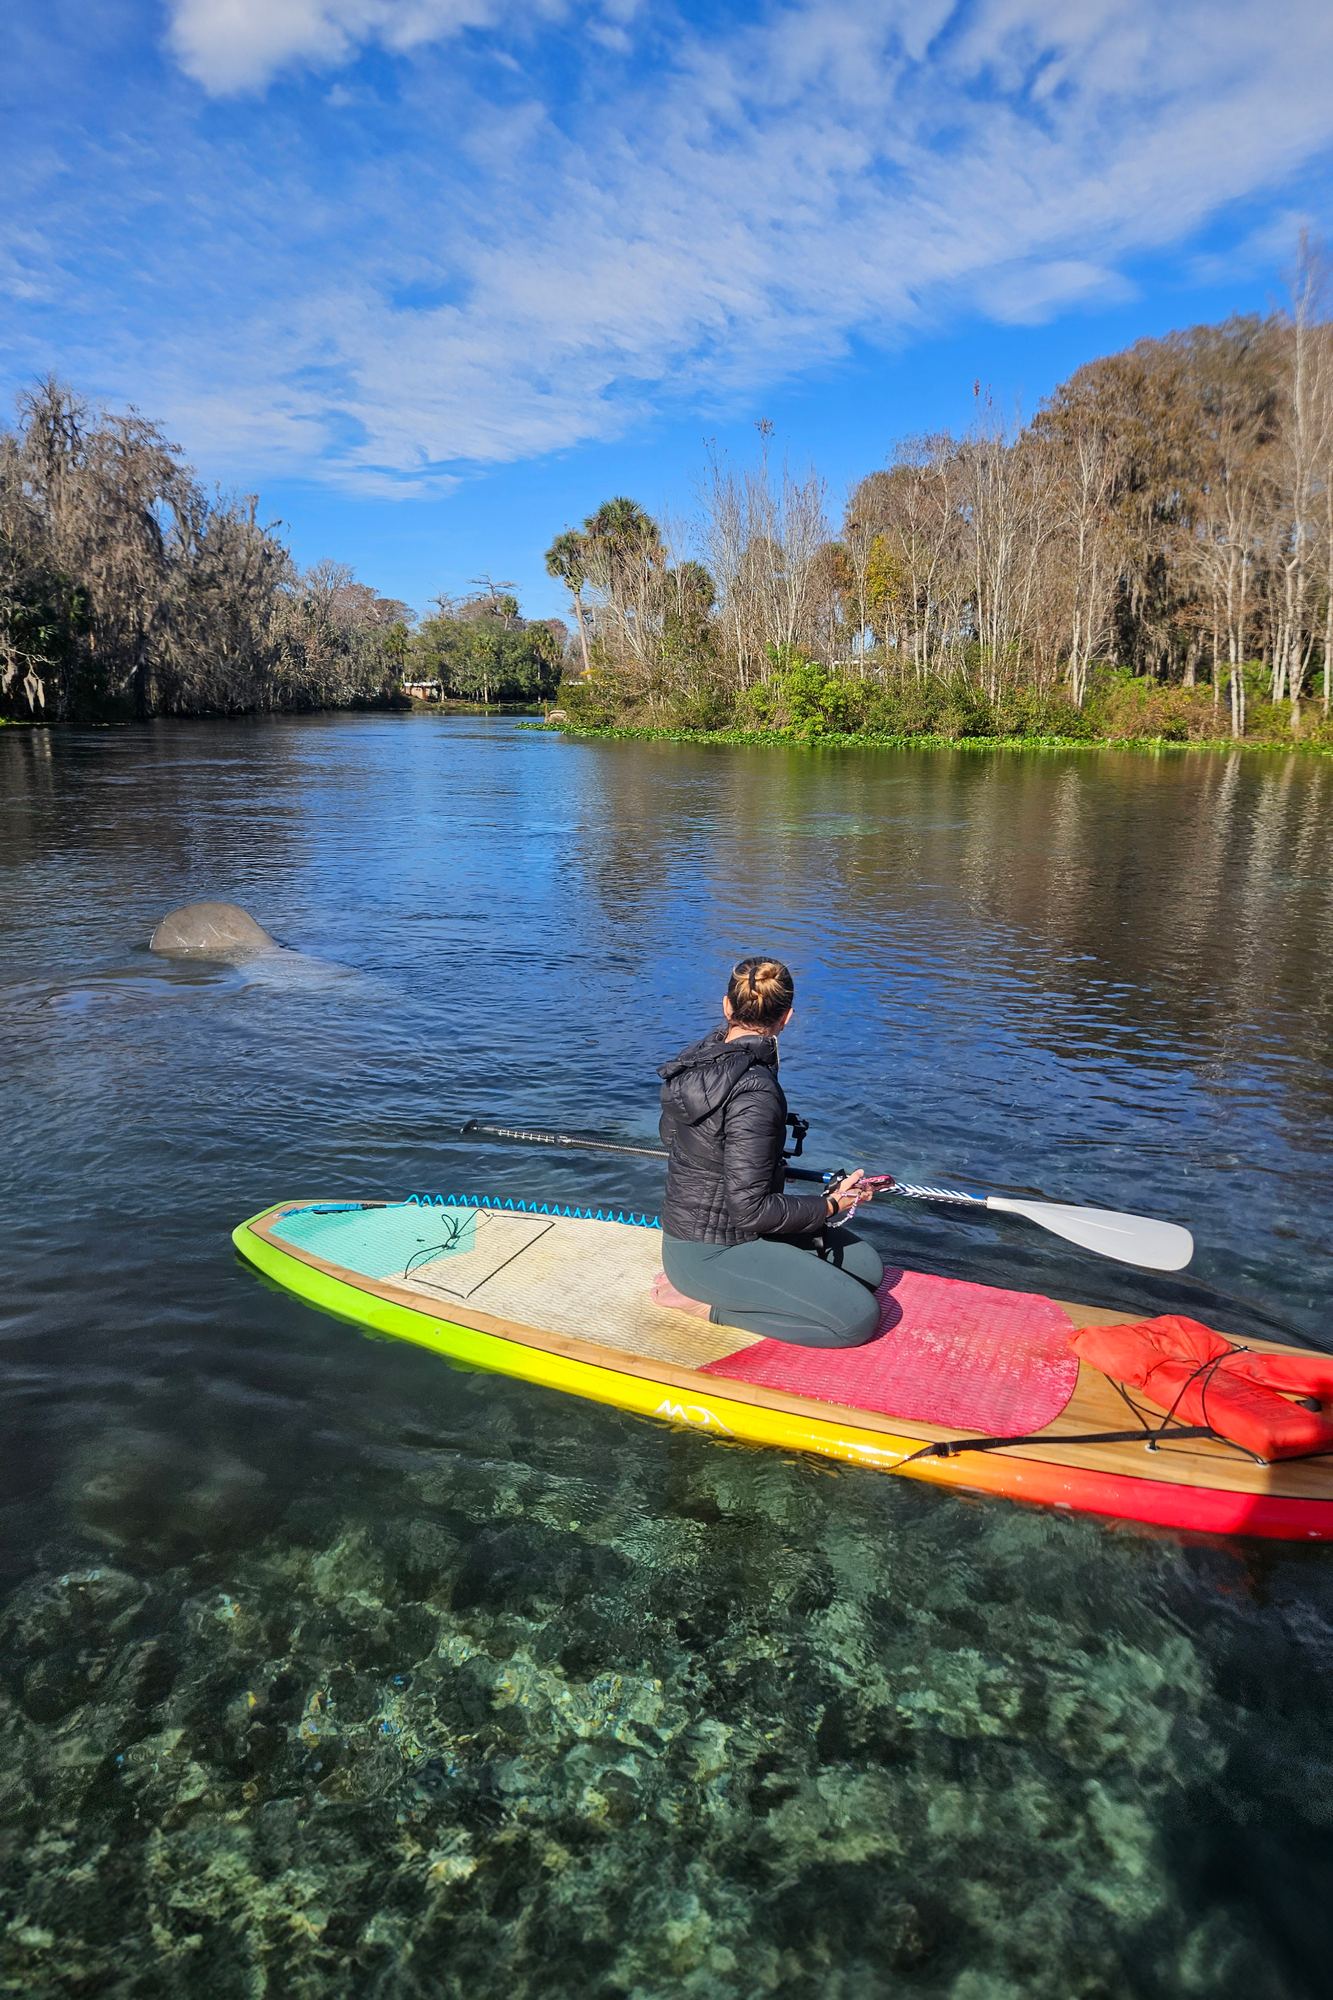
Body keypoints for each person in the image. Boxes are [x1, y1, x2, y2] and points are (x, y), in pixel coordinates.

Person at [652, 956, 885, 1347]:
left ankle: (719, 1285)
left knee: (866, 1268)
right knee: (858, 1319)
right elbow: (751, 1209)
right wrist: (832, 1206)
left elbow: (674, 1141)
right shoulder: (756, 1091)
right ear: (786, 1018)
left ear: (727, 1006)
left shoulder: (696, 1061)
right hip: (712, 1252)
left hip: (717, 1232)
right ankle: (705, 1305)